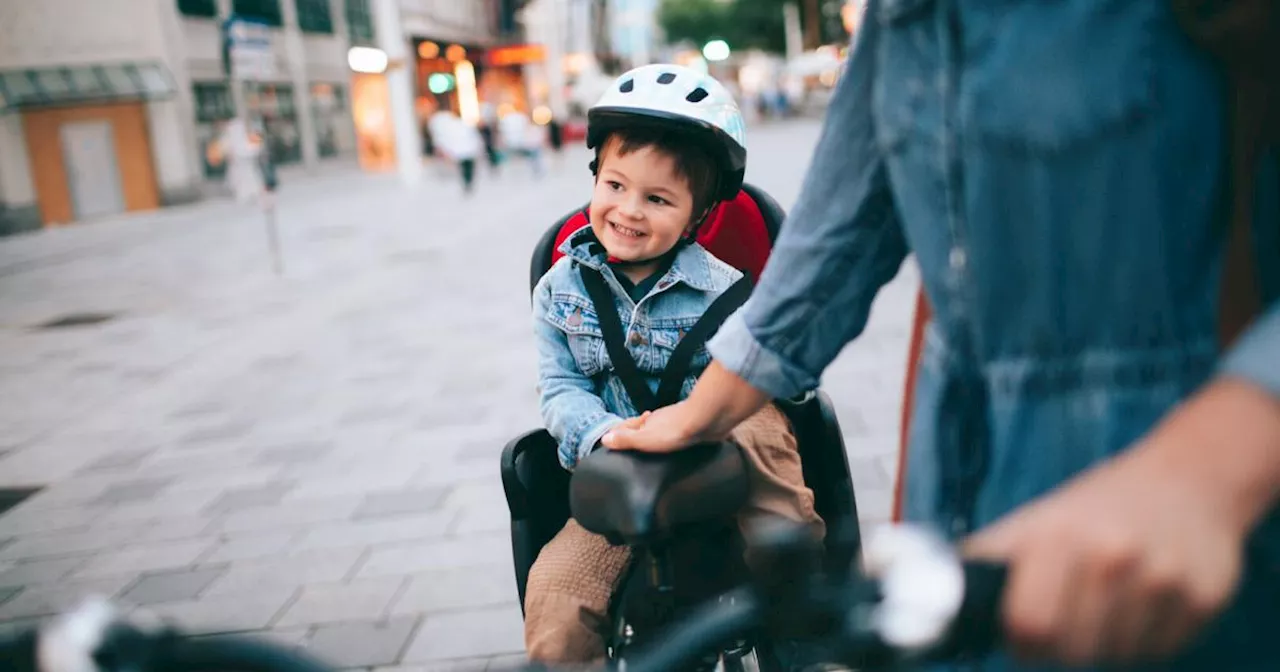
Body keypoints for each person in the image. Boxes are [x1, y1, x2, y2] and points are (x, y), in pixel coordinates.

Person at [602, 1, 1280, 670]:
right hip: (957, 495)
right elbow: (833, 236)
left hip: (1189, 508)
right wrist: (699, 412)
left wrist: (1206, 472)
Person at [523, 64, 823, 664]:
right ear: (595, 178)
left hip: (729, 469)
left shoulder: (731, 292)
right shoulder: (561, 290)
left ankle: (799, 603)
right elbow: (560, 387)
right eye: (614, 186)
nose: (628, 210)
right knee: (554, 599)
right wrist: (605, 432)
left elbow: (787, 374)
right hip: (621, 478)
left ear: (697, 215)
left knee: (754, 413)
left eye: (657, 198)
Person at [427, 110, 482, 194]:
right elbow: (474, 136)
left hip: (461, 151)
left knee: (464, 167)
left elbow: (448, 139)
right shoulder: (465, 125)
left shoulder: (454, 127)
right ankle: (468, 181)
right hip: (467, 150)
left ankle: (466, 181)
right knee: (468, 167)